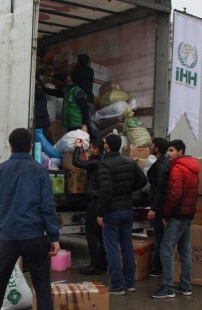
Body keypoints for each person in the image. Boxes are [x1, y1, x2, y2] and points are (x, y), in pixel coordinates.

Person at [0, 128, 61, 310]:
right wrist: (54, 237)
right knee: (42, 287)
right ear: (30, 147)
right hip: (34, 237)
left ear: (10, 147)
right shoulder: (40, 171)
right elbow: (47, 206)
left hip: (8, 238)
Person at [98, 134, 147, 295]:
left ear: (107, 146)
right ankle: (130, 283)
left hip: (111, 211)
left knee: (111, 249)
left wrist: (100, 213)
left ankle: (117, 286)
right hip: (127, 209)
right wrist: (128, 191)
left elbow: (106, 191)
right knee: (127, 247)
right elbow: (142, 181)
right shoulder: (129, 161)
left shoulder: (104, 163)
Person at [151, 139, 199, 299]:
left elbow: (174, 195)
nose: (169, 154)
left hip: (177, 214)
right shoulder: (192, 167)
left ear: (180, 152)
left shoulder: (178, 169)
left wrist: (165, 213)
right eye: (168, 151)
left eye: (172, 151)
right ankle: (186, 286)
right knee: (185, 250)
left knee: (166, 249)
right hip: (188, 213)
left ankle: (168, 287)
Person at [72, 139, 106, 275]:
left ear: (97, 149)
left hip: (94, 202)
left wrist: (77, 148)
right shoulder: (103, 161)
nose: (89, 150)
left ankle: (95, 265)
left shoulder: (95, 162)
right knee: (102, 235)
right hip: (102, 201)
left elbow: (76, 163)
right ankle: (103, 263)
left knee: (91, 235)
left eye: (91, 148)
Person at [44, 74, 100, 141]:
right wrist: (43, 89)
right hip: (69, 123)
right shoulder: (67, 90)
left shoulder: (78, 92)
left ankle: (97, 139)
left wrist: (85, 125)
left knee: (76, 142)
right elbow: (56, 92)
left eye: (69, 76)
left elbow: (85, 110)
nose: (68, 77)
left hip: (77, 124)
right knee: (70, 142)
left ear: (73, 79)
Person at [146, 137, 170, 277]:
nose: (150, 147)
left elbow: (160, 187)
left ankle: (160, 268)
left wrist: (154, 207)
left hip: (160, 208)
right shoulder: (161, 162)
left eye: (152, 145)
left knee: (160, 237)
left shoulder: (161, 165)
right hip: (160, 207)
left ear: (157, 148)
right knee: (160, 237)